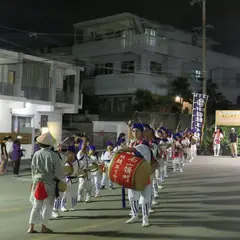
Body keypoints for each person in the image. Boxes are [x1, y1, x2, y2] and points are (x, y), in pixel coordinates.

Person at [28, 132, 65, 234]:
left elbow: (33, 170)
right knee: (47, 206)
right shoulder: (53, 155)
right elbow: (59, 172)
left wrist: (33, 182)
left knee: (36, 206)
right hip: (49, 184)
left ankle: (31, 227)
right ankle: (44, 227)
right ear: (49, 144)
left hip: (37, 183)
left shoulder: (36, 154)